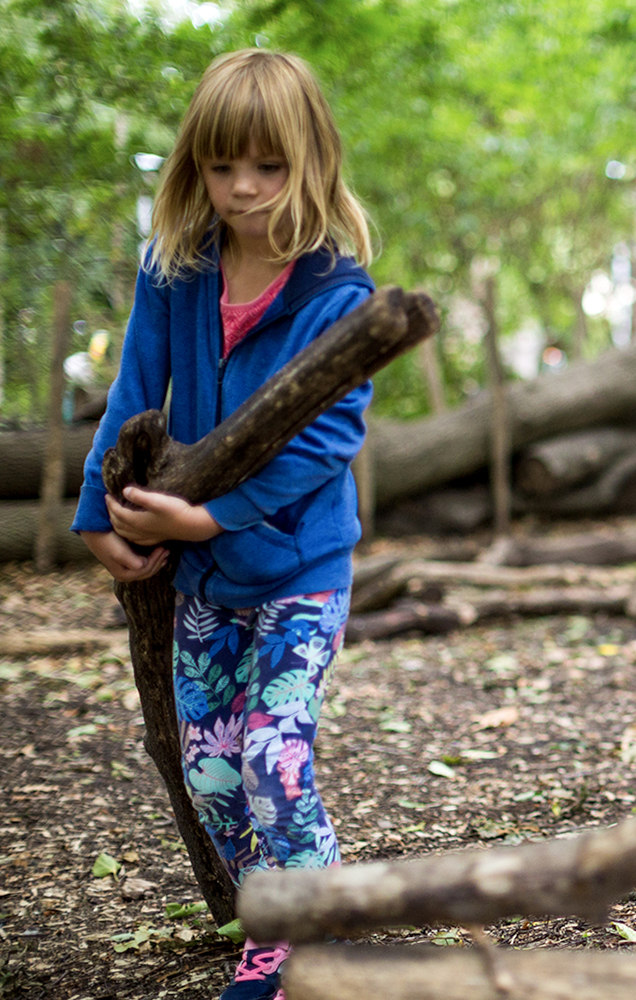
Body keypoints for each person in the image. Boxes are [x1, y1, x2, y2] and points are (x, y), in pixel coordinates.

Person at [72, 49, 375, 1000]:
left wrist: (213, 513)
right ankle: (267, 913)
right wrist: (96, 513)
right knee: (209, 777)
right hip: (202, 583)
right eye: (221, 165)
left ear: (312, 159)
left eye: (269, 165)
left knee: (272, 763)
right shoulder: (178, 267)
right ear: (194, 166)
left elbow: (330, 438)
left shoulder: (339, 293)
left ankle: (312, 934)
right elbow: (132, 391)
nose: (243, 188)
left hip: (298, 571)